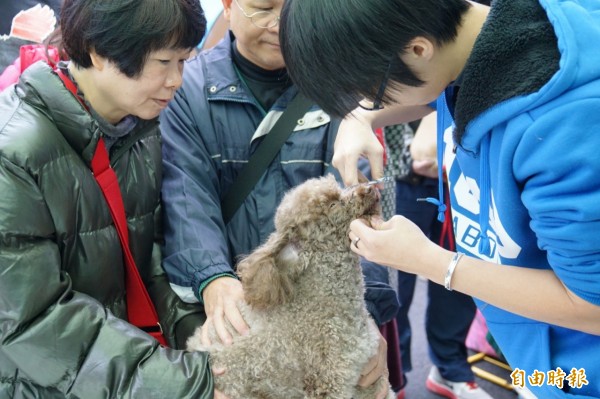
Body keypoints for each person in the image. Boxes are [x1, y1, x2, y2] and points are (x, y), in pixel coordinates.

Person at [279, 0, 600, 398]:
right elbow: (428, 91)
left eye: (369, 89)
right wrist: (359, 118)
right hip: (535, 357)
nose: (369, 101)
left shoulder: (567, 126)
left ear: (417, 49)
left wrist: (429, 261)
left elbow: (592, 305)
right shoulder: (472, 51)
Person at [159, 0, 399, 396]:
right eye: (263, 8)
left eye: (293, 11)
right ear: (228, 4)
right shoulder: (188, 91)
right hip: (235, 319)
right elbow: (186, 197)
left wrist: (365, 312)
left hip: (326, 315)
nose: (278, 25)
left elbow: (367, 207)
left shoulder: (341, 86)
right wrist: (213, 279)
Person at [0, 0, 228, 397]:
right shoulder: (15, 153)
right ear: (100, 52)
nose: (176, 80)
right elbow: (33, 318)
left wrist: (218, 351)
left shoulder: (139, 129)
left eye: (184, 61)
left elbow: (150, 264)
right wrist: (185, 382)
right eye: (163, 62)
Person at [387, 115, 492, 399]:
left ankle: (451, 369)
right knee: (395, 284)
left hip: (462, 175)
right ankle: (391, 377)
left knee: (459, 275)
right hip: (401, 176)